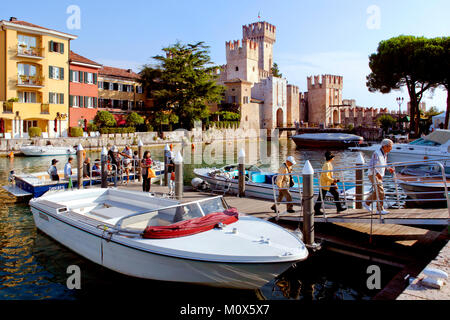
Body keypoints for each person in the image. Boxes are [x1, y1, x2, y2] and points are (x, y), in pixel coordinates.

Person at [363, 138, 394, 214]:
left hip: (378, 175)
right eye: (390, 146)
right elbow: (371, 165)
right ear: (385, 146)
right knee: (381, 192)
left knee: (377, 191)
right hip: (373, 174)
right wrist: (377, 174)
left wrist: (388, 168)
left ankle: (367, 203)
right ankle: (379, 209)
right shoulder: (376, 153)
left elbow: (383, 164)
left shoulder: (385, 154)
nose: (391, 148)